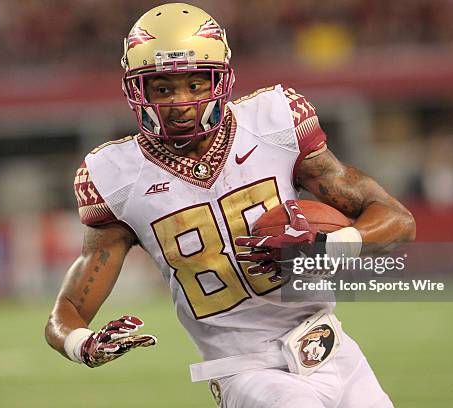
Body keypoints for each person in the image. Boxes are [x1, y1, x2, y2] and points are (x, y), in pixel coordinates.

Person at [45, 3, 415, 407]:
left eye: (196, 85)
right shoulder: (115, 176)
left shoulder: (274, 123)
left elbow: (397, 220)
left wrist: (327, 248)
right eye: (163, 88)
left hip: (334, 349)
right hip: (244, 369)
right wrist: (83, 344)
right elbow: (67, 311)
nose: (180, 103)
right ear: (139, 90)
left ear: (221, 79)